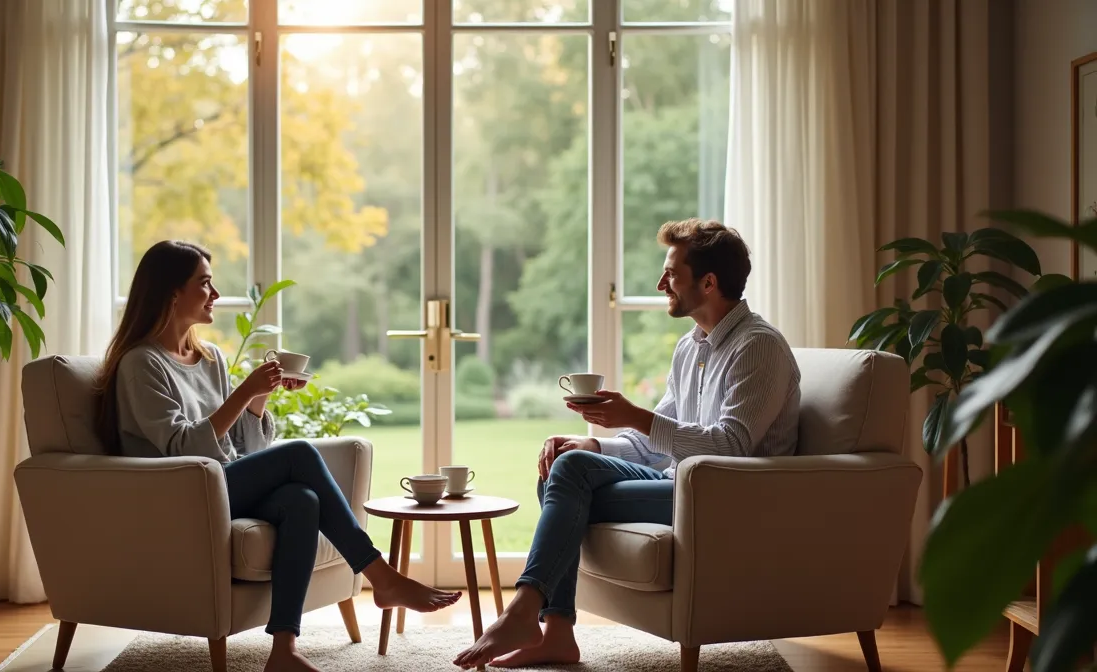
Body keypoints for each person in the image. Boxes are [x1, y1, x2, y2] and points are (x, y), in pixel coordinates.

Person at [94, 240, 461, 672]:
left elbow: (242, 449)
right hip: (179, 495)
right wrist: (244, 391)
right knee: (300, 454)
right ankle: (381, 576)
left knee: (301, 500)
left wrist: (257, 400)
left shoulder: (209, 357)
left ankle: (283, 650)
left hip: (221, 486)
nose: (214, 294)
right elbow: (183, 448)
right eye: (205, 284)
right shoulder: (142, 364)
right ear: (172, 292)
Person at [453, 219, 802, 670]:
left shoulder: (757, 348)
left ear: (709, 282)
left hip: (727, 498)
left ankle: (527, 611)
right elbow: (657, 444)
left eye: (672, 274)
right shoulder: (691, 347)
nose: (661, 284)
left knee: (567, 486)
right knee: (570, 464)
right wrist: (593, 444)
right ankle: (554, 632)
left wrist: (637, 416)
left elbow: (730, 448)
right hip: (680, 483)